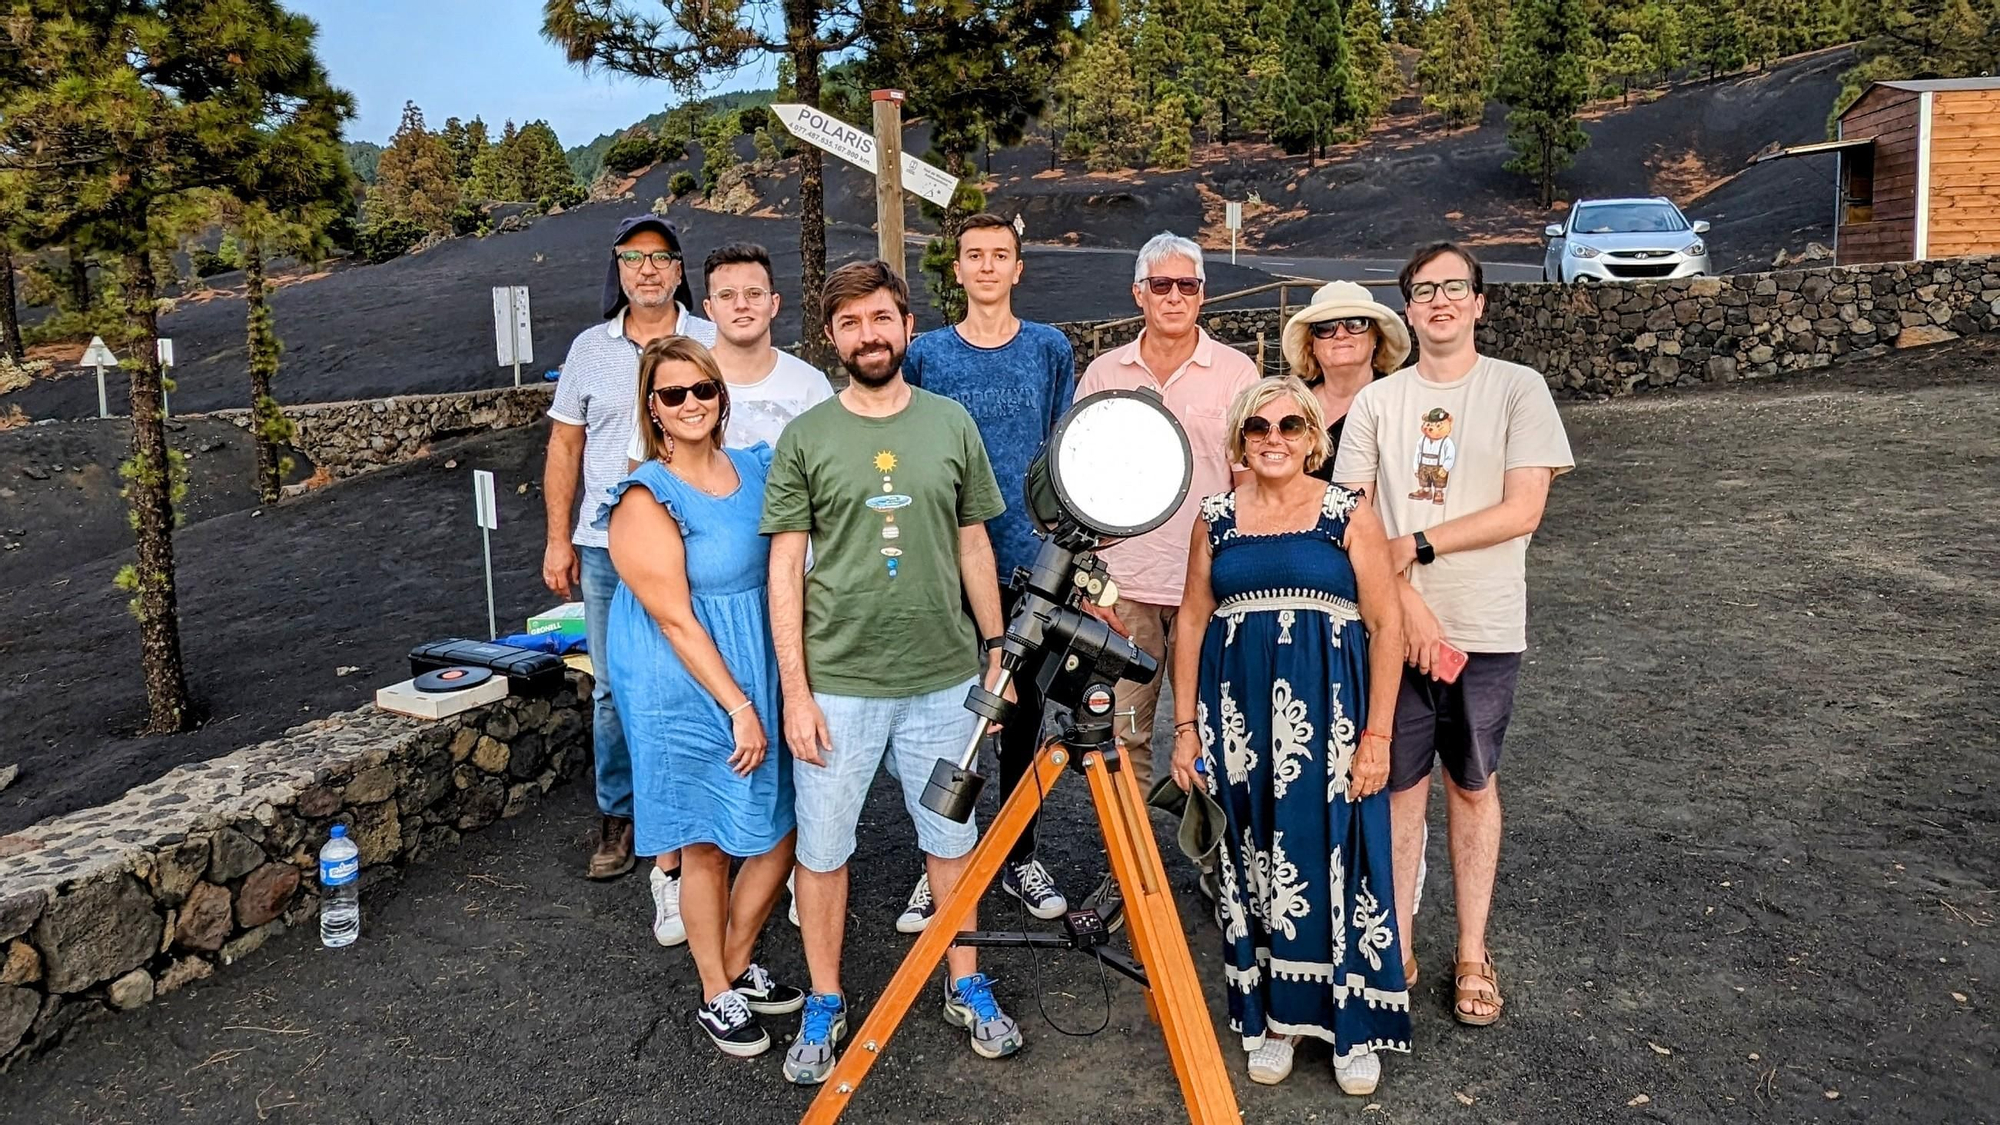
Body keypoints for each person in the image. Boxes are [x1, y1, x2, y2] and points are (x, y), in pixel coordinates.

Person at [762, 260, 1025, 1085]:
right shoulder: (807, 436)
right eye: (851, 323)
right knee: (826, 848)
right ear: (832, 336)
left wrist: (997, 649)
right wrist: (795, 691)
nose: (869, 334)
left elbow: (973, 542)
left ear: (907, 325)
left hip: (945, 681)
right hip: (837, 684)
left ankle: (965, 982)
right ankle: (826, 998)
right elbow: (785, 568)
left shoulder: (950, 425)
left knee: (951, 840)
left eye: (882, 317)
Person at [1332, 242, 1574, 1028]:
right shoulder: (1378, 403)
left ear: (1478, 303)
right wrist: (1406, 604)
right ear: (1407, 309)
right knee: (1400, 791)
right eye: (1424, 289)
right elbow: (1354, 516)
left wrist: (1421, 547)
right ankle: (1395, 940)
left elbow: (1523, 508)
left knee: (1471, 785)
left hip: (1487, 623)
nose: (1439, 299)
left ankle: (1472, 949)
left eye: (1454, 287)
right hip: (1391, 633)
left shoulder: (1516, 390)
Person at [1168, 375, 1410, 1094]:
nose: (1274, 439)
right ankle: (1272, 1018)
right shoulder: (1215, 517)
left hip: (1333, 719)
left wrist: (1379, 735)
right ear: (1239, 440)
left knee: (1338, 850)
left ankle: (1350, 1023)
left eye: (1290, 426)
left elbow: (1387, 623)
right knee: (1254, 850)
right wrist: (1184, 728)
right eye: (1258, 428)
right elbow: (1189, 619)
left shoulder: (1347, 513)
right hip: (1237, 720)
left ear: (1313, 437)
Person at [600, 336, 803, 1058]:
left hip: (757, 659)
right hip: (681, 680)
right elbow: (676, 619)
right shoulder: (644, 495)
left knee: (785, 824)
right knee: (707, 840)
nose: (691, 404)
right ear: (652, 410)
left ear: (722, 397)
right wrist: (738, 705)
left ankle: (740, 957)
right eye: (672, 394)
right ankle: (716, 988)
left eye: (702, 390)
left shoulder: (758, 467)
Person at [897, 212, 1077, 932]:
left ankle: (1019, 854)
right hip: (945, 563)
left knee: (1024, 716)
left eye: (1000, 254)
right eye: (974, 255)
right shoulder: (927, 355)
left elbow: (1064, 445)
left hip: (1031, 564)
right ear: (958, 268)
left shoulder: (1048, 348)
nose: (988, 266)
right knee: (946, 716)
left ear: (1017, 266)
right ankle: (936, 858)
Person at [1075, 230, 1261, 927]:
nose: (1175, 296)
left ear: (1203, 294)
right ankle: (1129, 870)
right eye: (1162, 285)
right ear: (1138, 294)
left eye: (1188, 285)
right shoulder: (1105, 374)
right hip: (1125, 588)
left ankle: (1221, 869)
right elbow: (1083, 477)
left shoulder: (1236, 373)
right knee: (1123, 738)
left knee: (1218, 734)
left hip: (1210, 592)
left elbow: (1251, 483)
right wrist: (1089, 583)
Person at [544, 216, 718, 903]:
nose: (647, 269)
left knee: (702, 673)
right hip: (605, 546)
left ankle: (706, 807)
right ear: (617, 270)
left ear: (681, 270)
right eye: (633, 258)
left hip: (695, 537)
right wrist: (559, 538)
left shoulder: (709, 341)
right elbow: (564, 448)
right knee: (616, 688)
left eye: (660, 257)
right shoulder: (590, 349)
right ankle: (620, 816)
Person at [625, 242, 832, 462]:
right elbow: (641, 473)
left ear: (774, 304)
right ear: (709, 308)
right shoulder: (671, 387)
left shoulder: (811, 384)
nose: (741, 305)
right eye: (726, 295)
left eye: (754, 293)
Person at [1278, 281, 1411, 482]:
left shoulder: (1402, 404)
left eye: (1355, 324)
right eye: (1325, 327)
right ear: (1311, 343)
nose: (1340, 334)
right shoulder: (1287, 404)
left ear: (1376, 338)